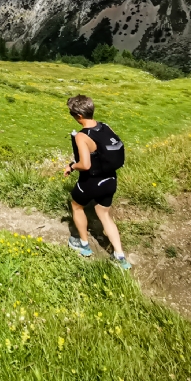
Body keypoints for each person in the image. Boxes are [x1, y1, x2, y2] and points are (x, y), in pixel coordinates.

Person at [64, 94, 132, 271]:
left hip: (92, 181)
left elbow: (85, 164)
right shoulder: (105, 126)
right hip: (110, 180)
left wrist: (72, 166)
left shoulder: (82, 136)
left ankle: (84, 245)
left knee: (76, 206)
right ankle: (120, 256)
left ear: (78, 116)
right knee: (104, 215)